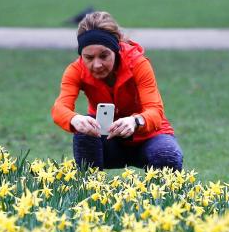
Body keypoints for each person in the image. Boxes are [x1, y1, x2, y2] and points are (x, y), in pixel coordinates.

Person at [51, 11, 184, 172]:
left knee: (167, 155)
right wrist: (75, 119)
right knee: (83, 133)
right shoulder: (75, 69)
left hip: (148, 137)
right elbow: (59, 109)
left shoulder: (138, 64)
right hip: (107, 139)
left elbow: (155, 112)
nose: (97, 64)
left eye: (104, 56)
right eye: (89, 57)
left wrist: (135, 122)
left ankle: (162, 197)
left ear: (116, 49)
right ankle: (91, 192)